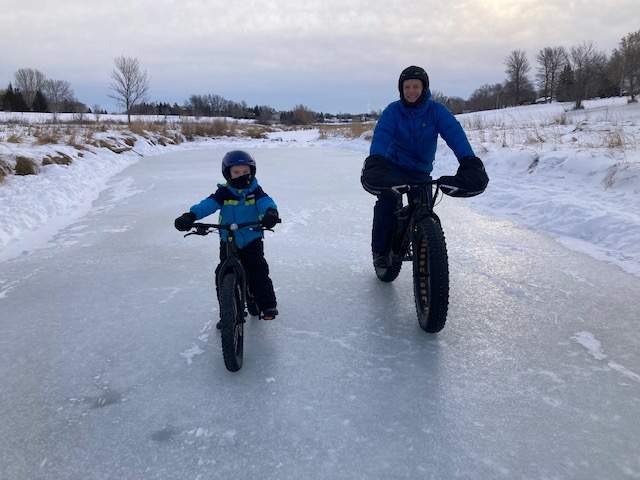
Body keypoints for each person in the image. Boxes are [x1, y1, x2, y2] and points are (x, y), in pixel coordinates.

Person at [361, 65, 488, 267]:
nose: (411, 91)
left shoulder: (436, 111)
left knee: (425, 210)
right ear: (401, 90)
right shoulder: (393, 111)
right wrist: (376, 161)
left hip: (420, 171)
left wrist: (468, 162)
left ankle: (427, 247)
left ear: (424, 88)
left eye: (416, 86)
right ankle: (381, 252)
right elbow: (382, 135)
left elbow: (455, 135)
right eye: (407, 87)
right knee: (386, 203)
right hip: (393, 168)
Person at [174, 150, 280, 320]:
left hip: (251, 238)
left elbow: (266, 202)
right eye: (236, 172)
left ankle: (267, 305)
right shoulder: (224, 192)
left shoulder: (255, 191)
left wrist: (270, 213)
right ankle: (227, 314)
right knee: (222, 275)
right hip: (228, 240)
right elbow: (207, 205)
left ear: (251, 172)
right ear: (228, 174)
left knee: (258, 270)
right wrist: (191, 216)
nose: (241, 175)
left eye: (245, 172)